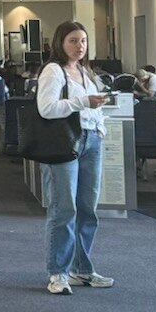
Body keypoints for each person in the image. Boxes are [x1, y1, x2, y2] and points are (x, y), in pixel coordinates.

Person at [34, 21, 114, 296]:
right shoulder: (53, 71)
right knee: (63, 209)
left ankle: (83, 269)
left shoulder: (85, 72)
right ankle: (58, 273)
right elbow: (46, 109)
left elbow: (90, 107)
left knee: (87, 209)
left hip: (91, 140)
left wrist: (99, 125)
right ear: (60, 43)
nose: (79, 46)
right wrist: (83, 102)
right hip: (64, 143)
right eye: (73, 41)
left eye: (83, 41)